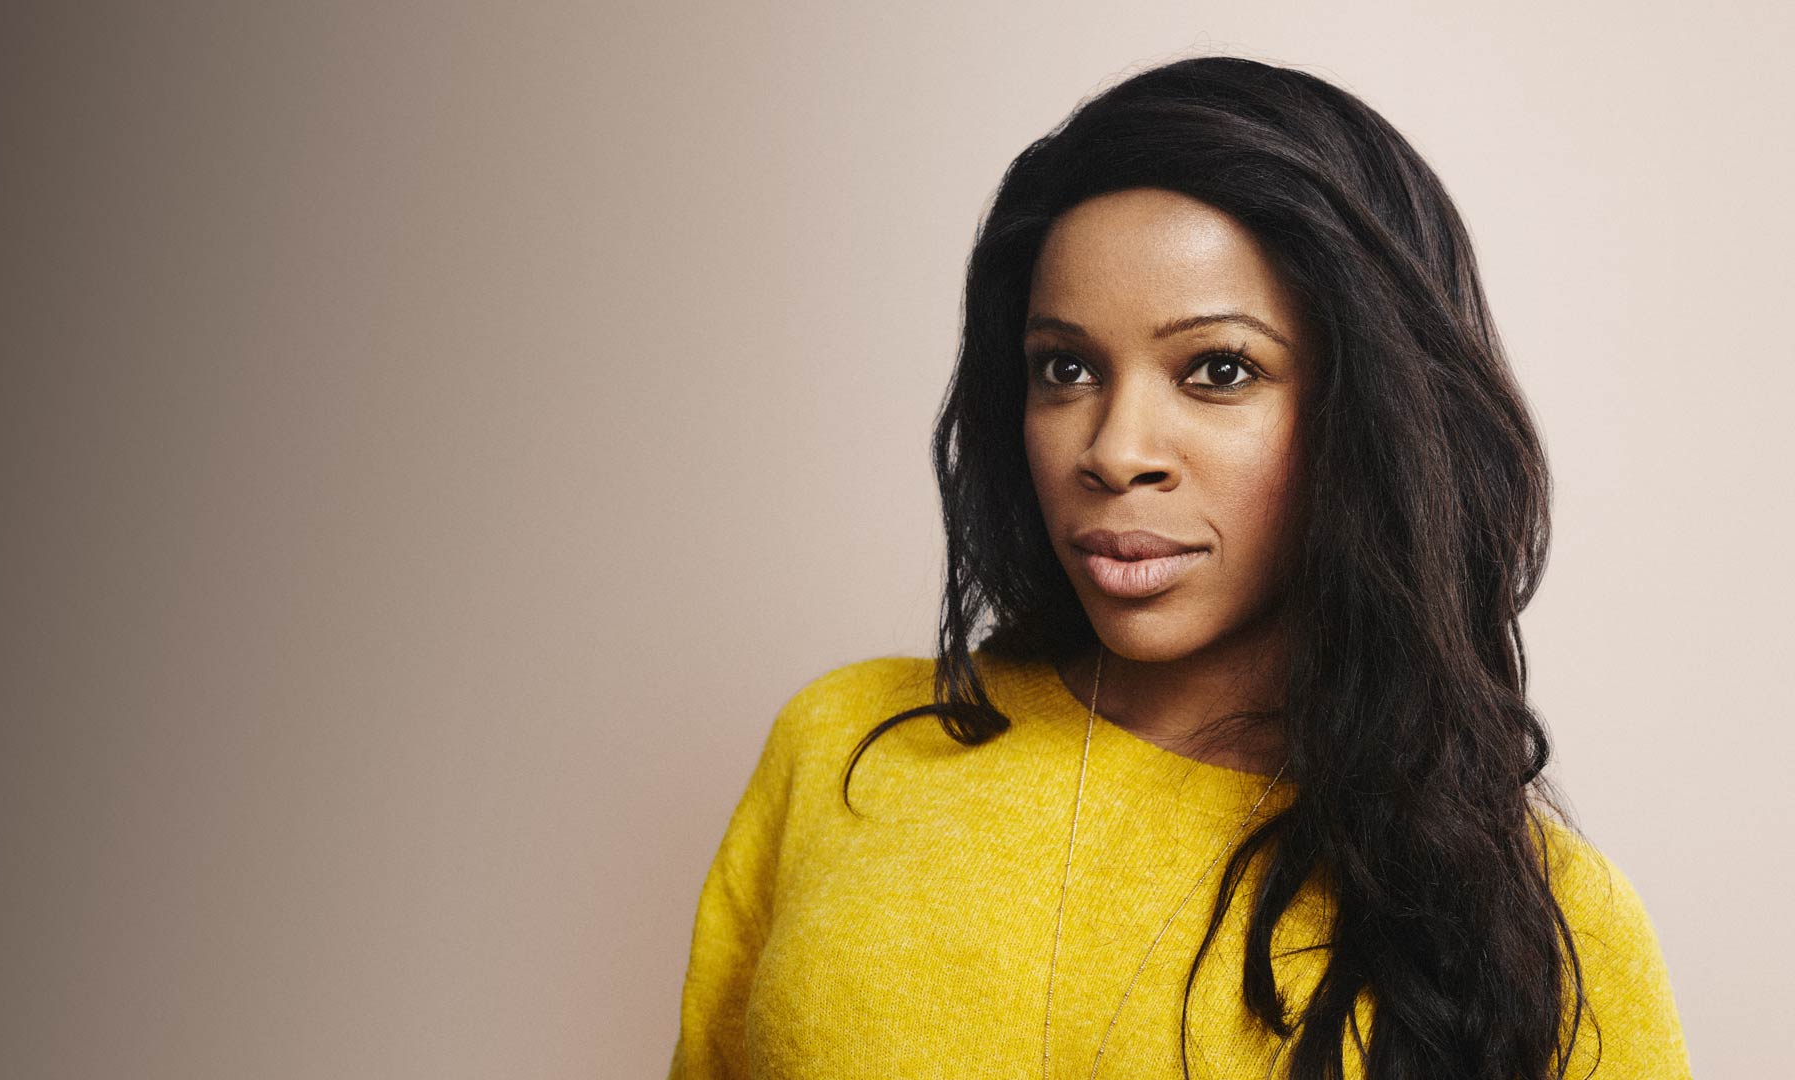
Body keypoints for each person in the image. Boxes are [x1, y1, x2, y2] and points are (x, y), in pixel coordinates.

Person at [665, 55, 1691, 1079]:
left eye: (1218, 370)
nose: (1113, 451)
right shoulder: (847, 753)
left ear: (1366, 412)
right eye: (1064, 368)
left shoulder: (1537, 925)